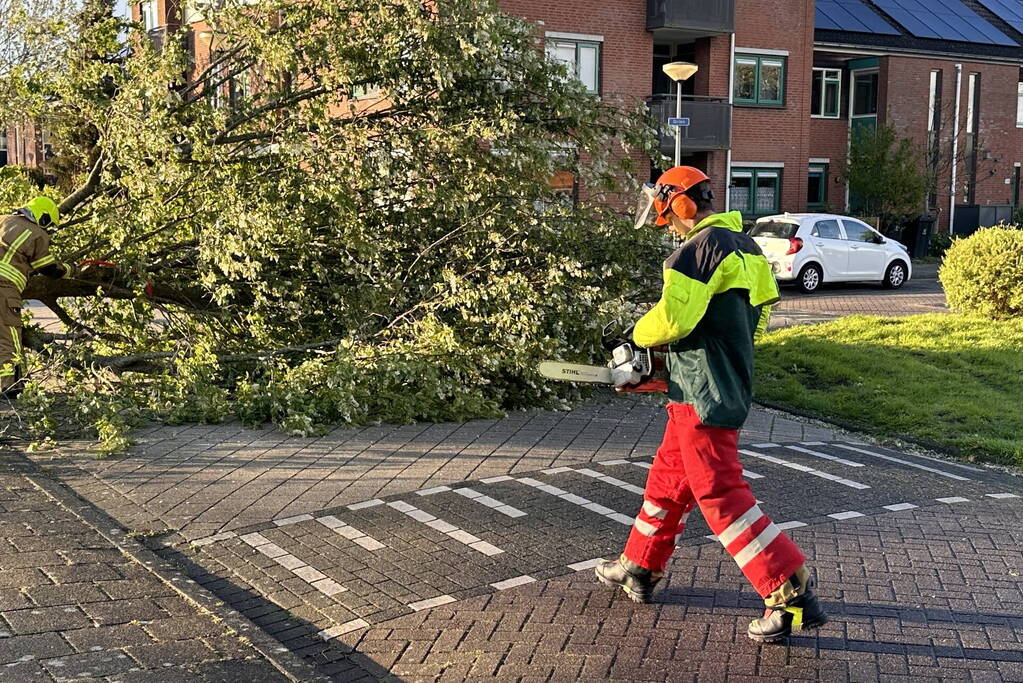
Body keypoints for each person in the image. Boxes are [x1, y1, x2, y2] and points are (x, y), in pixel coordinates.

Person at [595, 166, 827, 643]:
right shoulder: (748, 249)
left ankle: (790, 592)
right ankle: (639, 565)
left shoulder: (695, 252)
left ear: (679, 203)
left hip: (702, 393)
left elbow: (674, 320)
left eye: (665, 206)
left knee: (719, 493)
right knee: (666, 481)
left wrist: (635, 336)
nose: (664, 218)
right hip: (714, 384)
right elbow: (753, 325)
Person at [0, 197, 70, 397]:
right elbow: (48, 269)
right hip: (3, 289)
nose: (48, 229)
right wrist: (68, 269)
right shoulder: (36, 233)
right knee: (9, 338)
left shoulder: (2, 219)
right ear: (42, 216)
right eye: (48, 224)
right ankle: (11, 387)